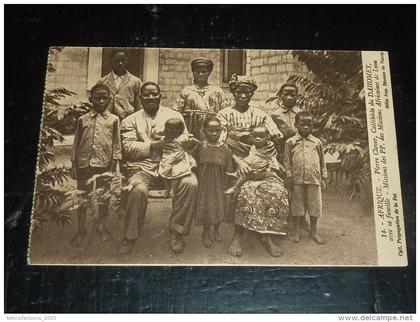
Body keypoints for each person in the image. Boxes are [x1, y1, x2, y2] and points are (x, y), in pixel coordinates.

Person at [119, 82, 198, 255]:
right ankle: (130, 235)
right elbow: (128, 148)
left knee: (191, 183)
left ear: (160, 95)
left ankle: (177, 231)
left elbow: (183, 139)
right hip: (143, 167)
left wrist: (187, 143)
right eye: (146, 95)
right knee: (137, 189)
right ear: (140, 98)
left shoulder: (174, 115)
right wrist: (155, 145)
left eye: (154, 93)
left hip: (174, 167)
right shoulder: (130, 120)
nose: (150, 97)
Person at [217, 74, 288, 258]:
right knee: (246, 190)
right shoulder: (224, 114)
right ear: (233, 93)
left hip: (261, 160)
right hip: (234, 161)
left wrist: (269, 150)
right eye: (239, 92)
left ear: (251, 94)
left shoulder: (260, 113)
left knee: (276, 189)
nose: (243, 95)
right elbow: (221, 143)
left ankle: (266, 235)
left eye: (247, 92)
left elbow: (275, 135)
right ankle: (238, 235)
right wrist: (239, 161)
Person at [70, 83, 122, 247]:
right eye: (97, 98)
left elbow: (117, 142)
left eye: (104, 98)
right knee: (82, 196)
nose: (100, 101)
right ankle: (81, 229)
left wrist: (115, 161)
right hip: (84, 164)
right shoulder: (82, 119)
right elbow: (76, 141)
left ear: (109, 99)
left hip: (104, 164)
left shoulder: (114, 119)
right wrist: (73, 163)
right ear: (90, 99)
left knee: (103, 197)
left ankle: (101, 225)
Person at [284, 111, 327, 244]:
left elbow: (322, 160)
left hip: (314, 179)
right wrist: (289, 176)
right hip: (297, 179)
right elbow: (287, 161)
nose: (306, 127)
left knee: (315, 205)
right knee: (297, 205)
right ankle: (297, 231)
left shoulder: (317, 142)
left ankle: (314, 232)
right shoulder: (290, 142)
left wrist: (324, 176)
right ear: (296, 124)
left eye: (310, 125)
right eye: (303, 124)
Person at [195, 117, 233, 247]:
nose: (214, 133)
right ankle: (206, 232)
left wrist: (228, 184)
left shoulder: (225, 148)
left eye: (217, 131)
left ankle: (216, 229)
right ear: (204, 131)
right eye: (210, 131)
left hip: (221, 182)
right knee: (207, 206)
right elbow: (196, 166)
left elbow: (229, 167)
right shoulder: (201, 147)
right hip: (205, 184)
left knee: (220, 206)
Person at [173, 58, 229, 139]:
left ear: (209, 73)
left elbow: (225, 113)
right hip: (190, 129)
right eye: (197, 72)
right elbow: (176, 112)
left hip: (212, 130)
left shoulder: (217, 91)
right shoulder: (186, 91)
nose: (201, 74)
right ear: (193, 73)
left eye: (204, 72)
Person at [223, 126, 281, 195]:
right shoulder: (254, 146)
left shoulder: (268, 149)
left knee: (245, 173)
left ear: (267, 137)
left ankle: (236, 188)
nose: (258, 139)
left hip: (261, 172)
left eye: (261, 137)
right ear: (251, 137)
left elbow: (272, 160)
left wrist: (273, 172)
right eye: (255, 137)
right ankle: (236, 174)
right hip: (256, 167)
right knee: (243, 165)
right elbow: (252, 157)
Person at [158, 118, 199, 198]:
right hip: (167, 160)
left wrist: (201, 144)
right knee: (165, 174)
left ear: (179, 130)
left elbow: (193, 140)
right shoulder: (164, 138)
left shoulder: (181, 138)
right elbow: (159, 144)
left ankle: (173, 190)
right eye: (167, 128)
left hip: (178, 160)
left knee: (176, 175)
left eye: (172, 128)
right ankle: (167, 189)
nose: (169, 130)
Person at [97, 49, 142, 120]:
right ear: (111, 62)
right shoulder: (102, 81)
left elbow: (139, 106)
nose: (120, 63)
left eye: (123, 60)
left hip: (128, 120)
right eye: (116, 61)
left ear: (127, 61)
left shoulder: (136, 81)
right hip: (107, 120)